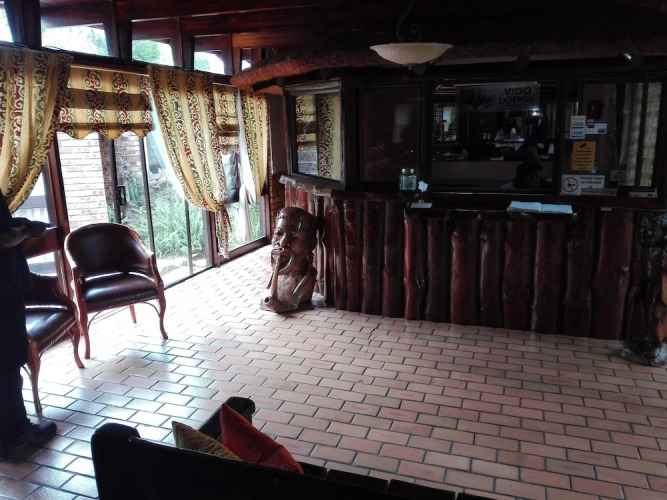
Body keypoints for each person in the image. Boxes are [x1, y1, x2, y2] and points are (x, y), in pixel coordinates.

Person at [0, 191, 57, 458]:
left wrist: (17, 224)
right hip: (3, 294)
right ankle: (17, 435)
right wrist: (25, 232)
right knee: (9, 362)